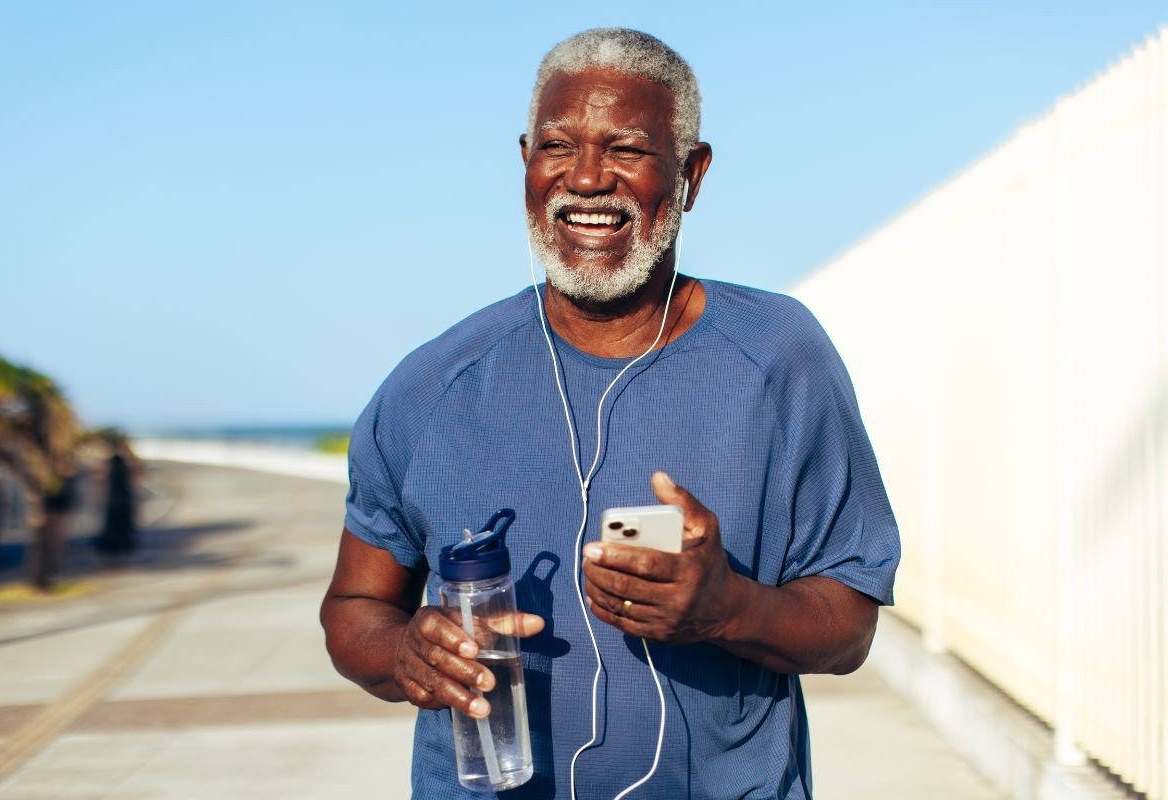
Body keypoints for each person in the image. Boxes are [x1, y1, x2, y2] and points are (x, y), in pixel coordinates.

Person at [321, 28, 900, 800]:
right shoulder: (432, 387)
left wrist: (729, 607)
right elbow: (355, 607)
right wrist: (401, 655)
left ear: (691, 175)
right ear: (524, 162)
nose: (587, 179)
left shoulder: (779, 359)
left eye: (625, 149)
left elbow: (849, 628)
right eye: (558, 147)